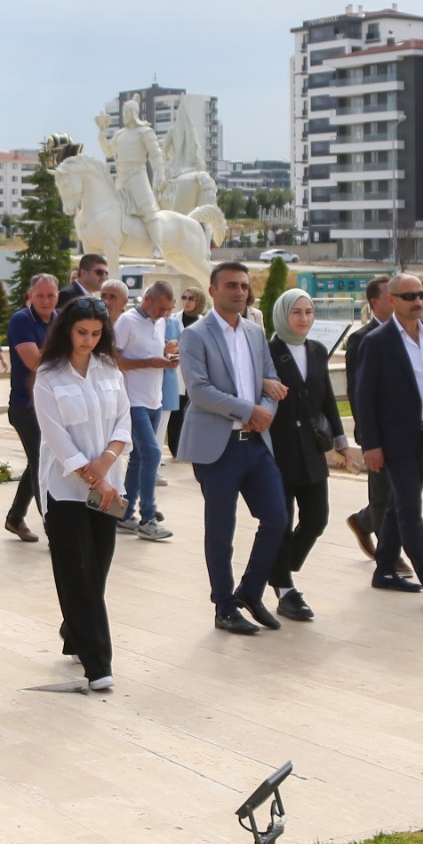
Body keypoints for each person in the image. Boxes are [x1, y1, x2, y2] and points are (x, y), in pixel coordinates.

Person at [178, 261, 293, 635]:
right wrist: (250, 410)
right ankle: (224, 607)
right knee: (221, 530)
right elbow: (199, 390)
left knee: (277, 519)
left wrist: (266, 415)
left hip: (256, 444)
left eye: (244, 285)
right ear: (212, 291)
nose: (239, 291)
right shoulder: (195, 335)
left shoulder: (255, 333)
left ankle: (250, 591)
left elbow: (271, 381)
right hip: (218, 448)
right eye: (231, 285)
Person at [31, 294, 131, 690]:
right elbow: (56, 439)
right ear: (66, 331)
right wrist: (94, 475)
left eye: (95, 333)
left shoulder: (109, 368)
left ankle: (74, 631)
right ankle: (98, 665)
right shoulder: (48, 376)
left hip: (109, 484)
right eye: (81, 332)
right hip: (65, 489)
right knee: (79, 574)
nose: (88, 340)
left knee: (98, 570)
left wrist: (107, 463)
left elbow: (124, 418)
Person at [350, 274, 423, 605]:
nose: (418, 301)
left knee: (398, 504)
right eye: (410, 296)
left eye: (422, 295)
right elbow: (365, 397)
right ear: (392, 300)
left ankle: (383, 568)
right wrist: (371, 445)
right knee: (410, 505)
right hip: (394, 438)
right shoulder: (377, 342)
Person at [263, 286, 344, 621]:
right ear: (284, 314)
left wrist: (340, 439)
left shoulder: (316, 350)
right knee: (282, 522)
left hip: (310, 451)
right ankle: (284, 587)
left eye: (308, 312)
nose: (304, 318)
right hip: (278, 451)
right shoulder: (269, 351)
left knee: (317, 518)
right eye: (297, 312)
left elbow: (326, 398)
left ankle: (277, 567)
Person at [112, 279, 181, 541]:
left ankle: (125, 513)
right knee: (152, 453)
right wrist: (152, 361)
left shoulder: (159, 322)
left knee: (141, 457)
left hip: (154, 399)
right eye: (162, 308)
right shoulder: (127, 322)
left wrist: (165, 354)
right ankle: (148, 516)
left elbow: (150, 352)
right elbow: (115, 360)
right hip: (133, 401)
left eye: (168, 310)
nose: (165, 314)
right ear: (147, 300)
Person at [3, 274, 59, 542]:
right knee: (41, 464)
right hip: (26, 406)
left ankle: (15, 517)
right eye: (40, 295)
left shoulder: (59, 320)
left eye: (50, 295)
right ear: (30, 295)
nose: (46, 300)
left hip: (53, 405)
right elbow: (36, 362)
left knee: (36, 461)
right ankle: (53, 528)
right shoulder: (21, 320)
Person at [342, 276, 395, 562]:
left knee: (402, 495)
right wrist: (367, 434)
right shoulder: (361, 340)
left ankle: (363, 522)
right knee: (385, 495)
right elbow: (357, 391)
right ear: (374, 302)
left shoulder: (412, 333)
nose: (396, 299)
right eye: (389, 295)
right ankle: (389, 553)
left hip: (407, 432)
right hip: (378, 432)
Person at [165, 289, 204, 457]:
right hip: (178, 372)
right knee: (176, 413)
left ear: (199, 301)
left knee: (194, 413)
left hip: (197, 374)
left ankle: (191, 448)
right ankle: (176, 449)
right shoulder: (174, 320)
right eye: (184, 297)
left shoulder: (204, 322)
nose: (187, 301)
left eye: (191, 298)